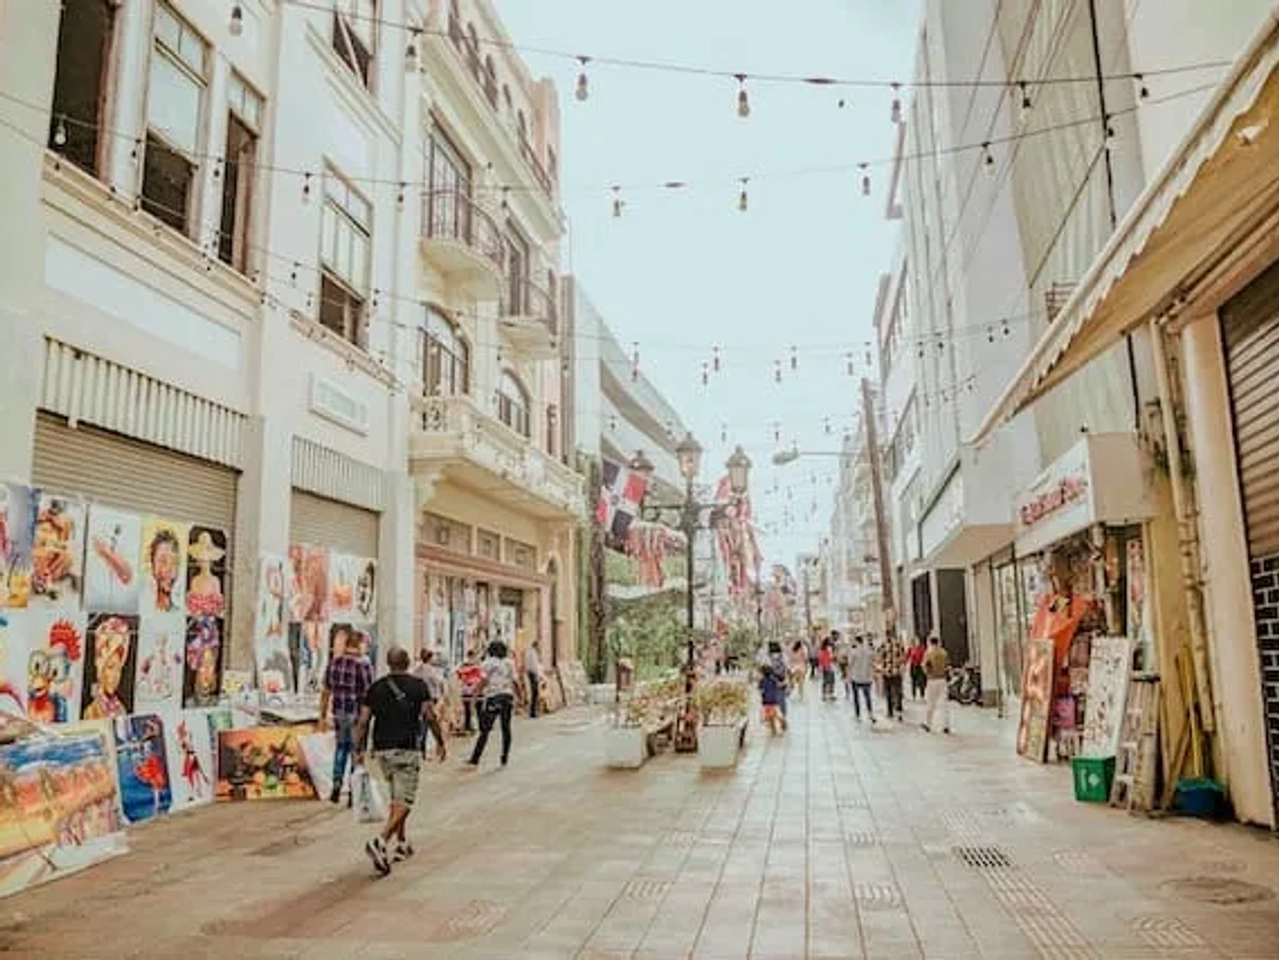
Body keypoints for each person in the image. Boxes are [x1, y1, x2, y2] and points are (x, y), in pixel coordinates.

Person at [355, 646, 440, 875]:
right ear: (407, 663)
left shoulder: (376, 687)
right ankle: (381, 841)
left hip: (382, 751)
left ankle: (401, 843)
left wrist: (359, 748)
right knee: (406, 801)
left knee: (396, 797)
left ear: (388, 663)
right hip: (406, 748)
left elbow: (363, 721)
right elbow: (429, 716)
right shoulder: (418, 686)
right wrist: (440, 741)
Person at [319, 626, 373, 804]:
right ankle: (352, 790)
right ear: (359, 644)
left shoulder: (334, 662)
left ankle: (336, 783)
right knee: (356, 751)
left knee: (340, 748)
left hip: (338, 712)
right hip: (357, 713)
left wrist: (322, 715)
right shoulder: (363, 664)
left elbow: (326, 690)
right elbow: (368, 693)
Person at [467, 640, 516, 768]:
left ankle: (475, 758)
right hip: (507, 696)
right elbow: (514, 681)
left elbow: (483, 681)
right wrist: (520, 697)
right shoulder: (509, 663)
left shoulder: (487, 663)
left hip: (493, 697)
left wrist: (474, 696)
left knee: (485, 730)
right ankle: (504, 756)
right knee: (506, 728)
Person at [411, 649, 448, 760]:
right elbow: (439, 683)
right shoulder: (432, 671)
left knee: (421, 725)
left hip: (418, 700)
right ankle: (423, 751)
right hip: (431, 700)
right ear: (430, 658)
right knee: (428, 726)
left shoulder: (417, 670)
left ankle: (420, 751)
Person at [922, 634, 952, 734]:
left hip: (932, 680)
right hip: (942, 680)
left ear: (930, 642)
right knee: (944, 704)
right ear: (938, 642)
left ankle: (928, 724)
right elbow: (948, 666)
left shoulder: (928, 653)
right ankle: (946, 726)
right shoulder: (944, 653)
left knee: (931, 703)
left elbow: (924, 666)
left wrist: (928, 673)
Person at [876, 632, 907, 721]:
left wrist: (881, 668)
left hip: (887, 673)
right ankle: (899, 712)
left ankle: (890, 712)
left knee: (888, 693)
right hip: (897, 672)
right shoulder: (898, 644)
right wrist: (901, 668)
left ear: (886, 636)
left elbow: (879, 658)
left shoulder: (883, 645)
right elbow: (903, 658)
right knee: (898, 692)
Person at [848, 635, 876, 723]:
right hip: (867, 678)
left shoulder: (854, 652)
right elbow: (873, 662)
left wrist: (848, 676)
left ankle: (858, 715)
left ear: (857, 641)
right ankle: (870, 713)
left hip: (856, 677)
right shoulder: (869, 651)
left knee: (856, 697)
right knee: (867, 696)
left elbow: (850, 664)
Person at [456, 647, 484, 735]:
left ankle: (468, 726)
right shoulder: (478, 665)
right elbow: (482, 677)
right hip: (476, 690)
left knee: (468, 709)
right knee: (478, 709)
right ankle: (480, 726)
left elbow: (459, 674)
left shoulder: (463, 665)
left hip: (467, 690)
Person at [759, 664, 786, 735]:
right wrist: (784, 684)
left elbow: (761, 690)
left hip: (766, 702)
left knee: (770, 717)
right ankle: (782, 722)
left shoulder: (762, 681)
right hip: (774, 700)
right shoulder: (773, 679)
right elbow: (779, 685)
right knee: (777, 715)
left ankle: (773, 730)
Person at [524, 641, 542, 719]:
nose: (540, 648)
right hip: (533, 674)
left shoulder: (530, 652)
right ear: (536, 646)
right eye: (539, 646)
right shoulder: (533, 653)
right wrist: (537, 676)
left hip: (530, 673)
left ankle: (533, 711)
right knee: (535, 693)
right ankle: (533, 712)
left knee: (534, 693)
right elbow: (534, 666)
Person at [908, 637, 928, 701]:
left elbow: (924, 656)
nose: (917, 643)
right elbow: (907, 656)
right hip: (913, 666)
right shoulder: (911, 649)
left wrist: (923, 664)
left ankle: (922, 695)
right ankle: (914, 695)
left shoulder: (922, 649)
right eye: (916, 641)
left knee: (921, 681)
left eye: (918, 641)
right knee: (913, 681)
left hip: (920, 666)